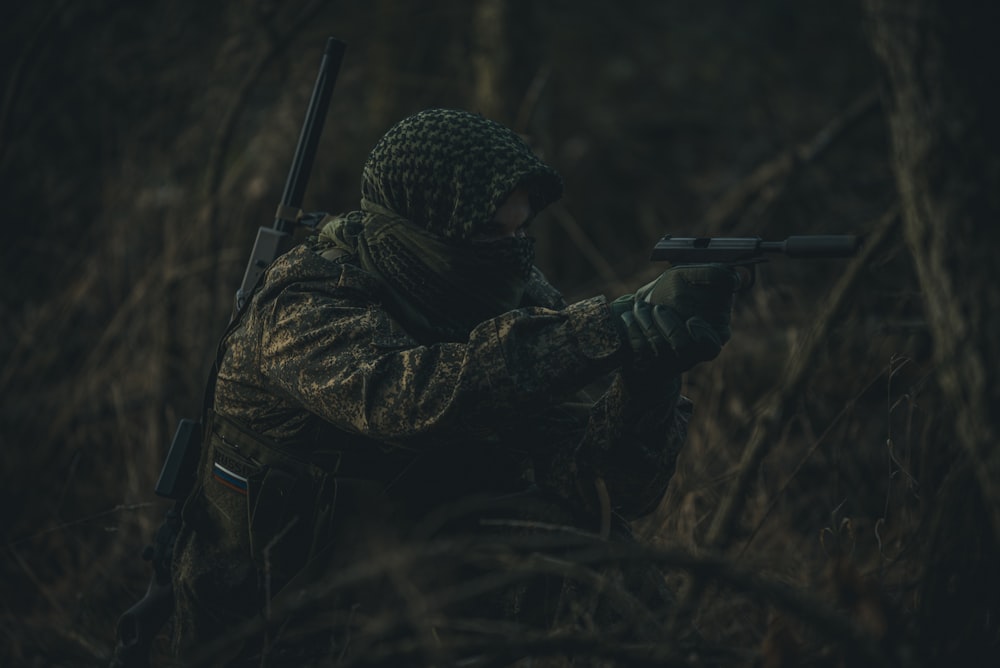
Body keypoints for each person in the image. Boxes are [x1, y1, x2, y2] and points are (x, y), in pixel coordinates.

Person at [170, 108, 737, 665]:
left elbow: (603, 491)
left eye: (520, 231)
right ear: (424, 226)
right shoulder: (304, 302)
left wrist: (651, 372)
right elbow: (409, 399)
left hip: (419, 604)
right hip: (277, 630)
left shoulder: (498, 288)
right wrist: (605, 330)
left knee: (587, 546)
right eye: (491, 232)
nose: (511, 251)